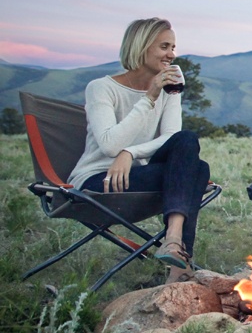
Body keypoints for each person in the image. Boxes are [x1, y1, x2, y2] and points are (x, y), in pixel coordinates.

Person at [68, 17, 210, 283]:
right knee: (198, 170)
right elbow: (110, 145)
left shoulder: (170, 90)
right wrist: (149, 97)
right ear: (141, 46)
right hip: (98, 182)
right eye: (164, 47)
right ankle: (181, 264)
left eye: (173, 47)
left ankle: (174, 239)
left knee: (187, 140)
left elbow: (172, 137)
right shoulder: (101, 88)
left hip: (136, 175)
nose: (171, 54)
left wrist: (131, 153)